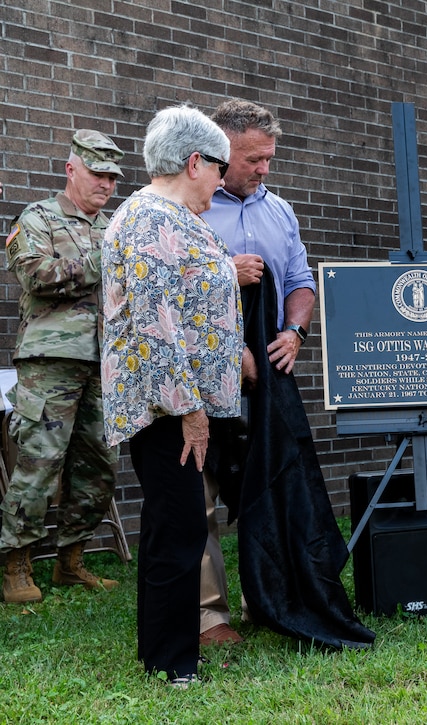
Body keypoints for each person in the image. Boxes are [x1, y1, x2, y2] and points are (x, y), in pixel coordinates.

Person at [198, 99, 373, 651]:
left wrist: (294, 332)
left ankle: (267, 595)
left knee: (268, 483)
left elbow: (301, 280)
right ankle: (208, 616)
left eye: (270, 158)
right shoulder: (189, 206)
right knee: (199, 494)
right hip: (203, 372)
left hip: (268, 377)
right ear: (221, 152)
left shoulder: (281, 210)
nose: (264, 169)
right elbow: (172, 288)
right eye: (254, 159)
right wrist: (224, 278)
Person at [100, 104, 243, 686]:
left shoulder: (172, 218)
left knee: (172, 524)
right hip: (165, 409)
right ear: (193, 161)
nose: (223, 179)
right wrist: (190, 411)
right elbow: (155, 326)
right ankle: (172, 664)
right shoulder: (152, 220)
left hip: (175, 404)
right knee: (181, 526)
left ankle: (163, 653)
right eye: (219, 168)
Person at [1, 130, 125, 604]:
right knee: (38, 463)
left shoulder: (115, 225)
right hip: (51, 361)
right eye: (98, 174)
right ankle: (16, 563)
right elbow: (35, 275)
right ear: (71, 169)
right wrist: (106, 258)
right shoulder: (39, 218)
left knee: (100, 466)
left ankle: (71, 562)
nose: (107, 185)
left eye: (113, 177)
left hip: (106, 362)